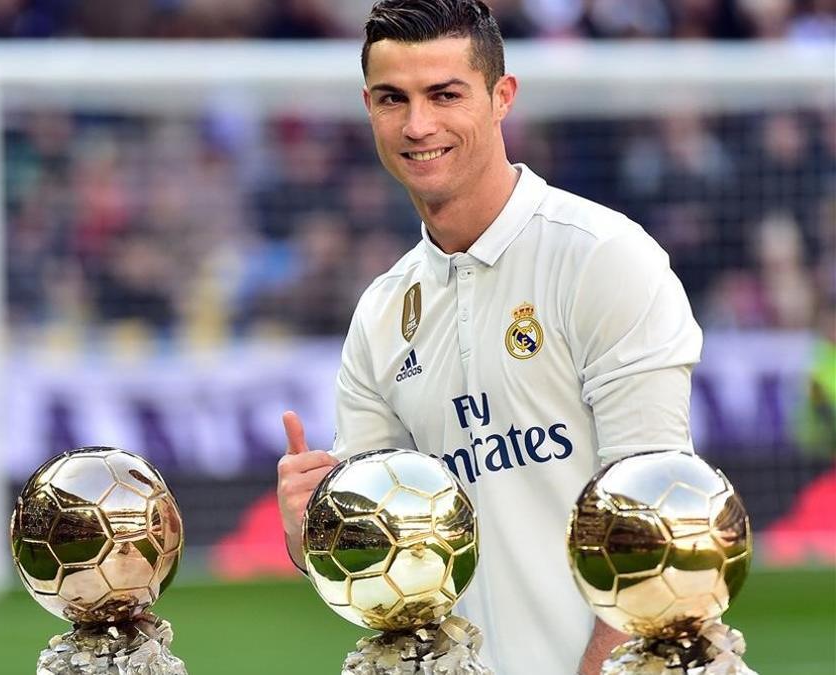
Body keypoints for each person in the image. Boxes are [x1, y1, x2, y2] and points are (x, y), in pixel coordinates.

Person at [275, 2, 703, 673]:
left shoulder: (601, 257)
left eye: (445, 95)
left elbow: (657, 530)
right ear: (369, 109)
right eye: (394, 99)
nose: (418, 125)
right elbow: (387, 569)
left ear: (502, 97)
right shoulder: (382, 314)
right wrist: (317, 535)